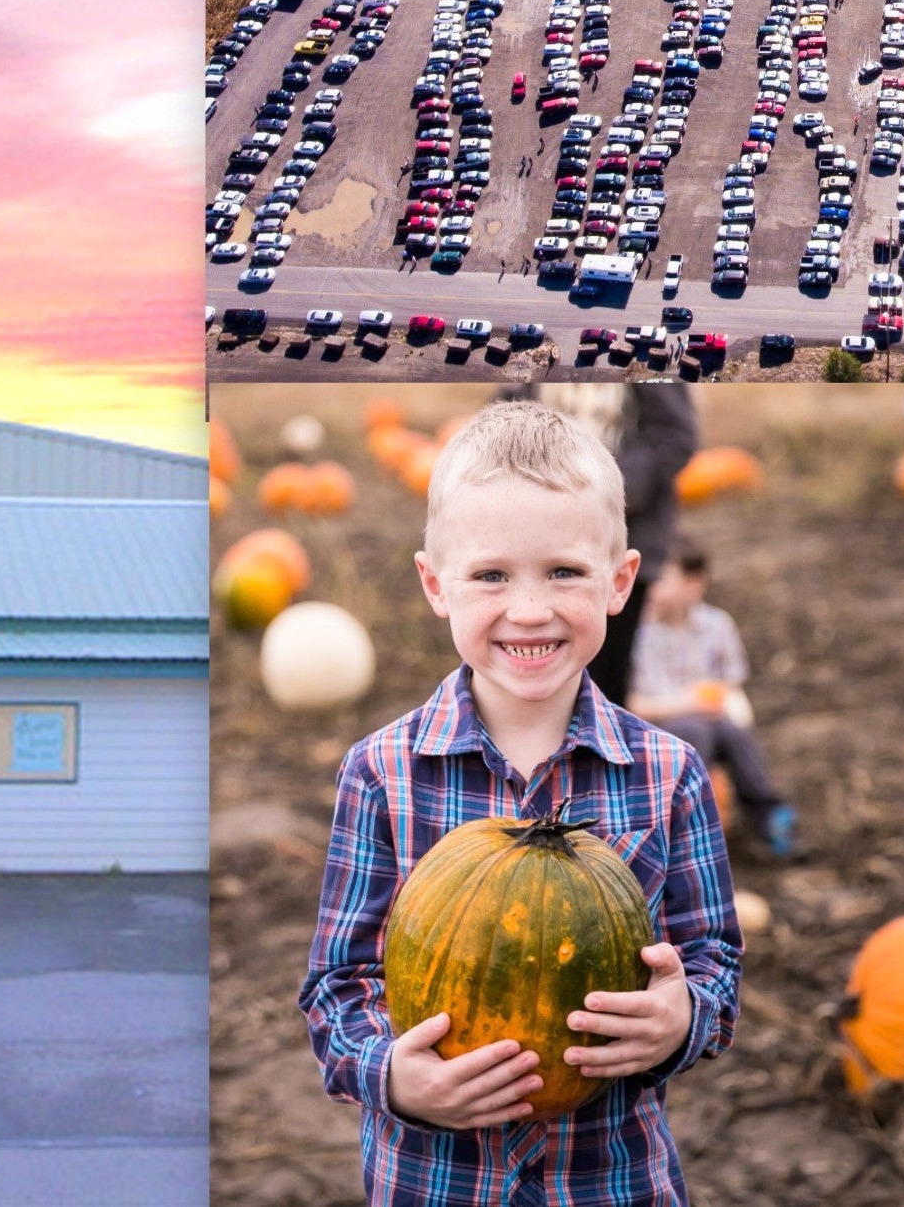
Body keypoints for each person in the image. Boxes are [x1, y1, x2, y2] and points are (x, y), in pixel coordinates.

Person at [299, 401, 740, 1206]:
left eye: (563, 572)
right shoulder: (382, 773)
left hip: (608, 1180)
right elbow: (338, 985)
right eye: (491, 575)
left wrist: (681, 1021)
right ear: (436, 585)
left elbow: (714, 964)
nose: (528, 609)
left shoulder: (668, 773)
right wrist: (392, 1076)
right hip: (435, 1180)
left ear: (619, 581)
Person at [499, 384, 699, 706]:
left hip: (623, 540)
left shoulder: (649, 351)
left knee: (605, 677)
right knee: (540, 667)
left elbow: (674, 438)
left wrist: (606, 493)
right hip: (538, 539)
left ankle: (602, 749)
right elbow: (503, 418)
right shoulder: (538, 346)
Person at [627, 547, 796, 858]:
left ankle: (770, 814)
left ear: (693, 586)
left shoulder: (717, 625)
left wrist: (720, 703)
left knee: (735, 732)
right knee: (696, 730)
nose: (652, 587)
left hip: (711, 720)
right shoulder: (638, 634)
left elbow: (730, 683)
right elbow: (632, 703)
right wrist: (690, 701)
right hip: (659, 727)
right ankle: (689, 824)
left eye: (662, 579)